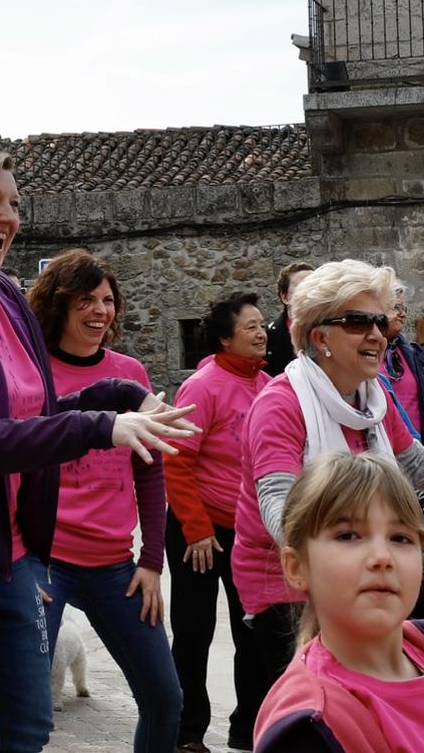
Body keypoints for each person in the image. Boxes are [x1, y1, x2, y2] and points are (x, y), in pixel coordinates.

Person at [0, 144, 199, 753]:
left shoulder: (1, 295)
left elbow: (39, 412)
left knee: (27, 728)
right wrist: (102, 427)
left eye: (15, 203)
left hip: (12, 554)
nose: (8, 216)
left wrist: (120, 398)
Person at [232, 259, 424, 689]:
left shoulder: (372, 400)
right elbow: (280, 511)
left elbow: (414, 466)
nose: (376, 333)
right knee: (320, 707)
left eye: (379, 320)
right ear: (320, 337)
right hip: (288, 588)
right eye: (358, 322)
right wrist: (343, 559)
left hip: (361, 572)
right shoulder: (280, 404)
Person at [25, 249, 181, 753]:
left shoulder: (130, 372)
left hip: (116, 564)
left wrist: (152, 560)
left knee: (165, 698)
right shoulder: (32, 370)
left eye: (108, 300)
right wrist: (24, 563)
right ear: (58, 304)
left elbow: (150, 469)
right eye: (87, 299)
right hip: (47, 564)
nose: (101, 310)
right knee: (26, 705)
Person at [254, 452, 424, 751]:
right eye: (348, 536)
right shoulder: (310, 729)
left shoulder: (419, 640)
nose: (382, 558)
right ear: (296, 567)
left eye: (401, 538)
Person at [167, 292, 272, 753]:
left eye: (263, 324)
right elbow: (177, 461)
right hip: (199, 531)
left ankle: (248, 726)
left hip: (248, 531)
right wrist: (197, 529)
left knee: (255, 630)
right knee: (193, 633)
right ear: (224, 337)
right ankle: (188, 732)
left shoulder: (270, 384)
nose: (261, 331)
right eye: (250, 326)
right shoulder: (202, 386)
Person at [379, 285, 422, 442]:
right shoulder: (362, 354)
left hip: (416, 450)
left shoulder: (411, 354)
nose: (403, 314)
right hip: (384, 449)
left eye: (404, 308)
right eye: (396, 308)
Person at [264, 262, 314, 376]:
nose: (311, 293)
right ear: (284, 297)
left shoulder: (336, 330)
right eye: (302, 287)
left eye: (315, 287)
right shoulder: (267, 339)